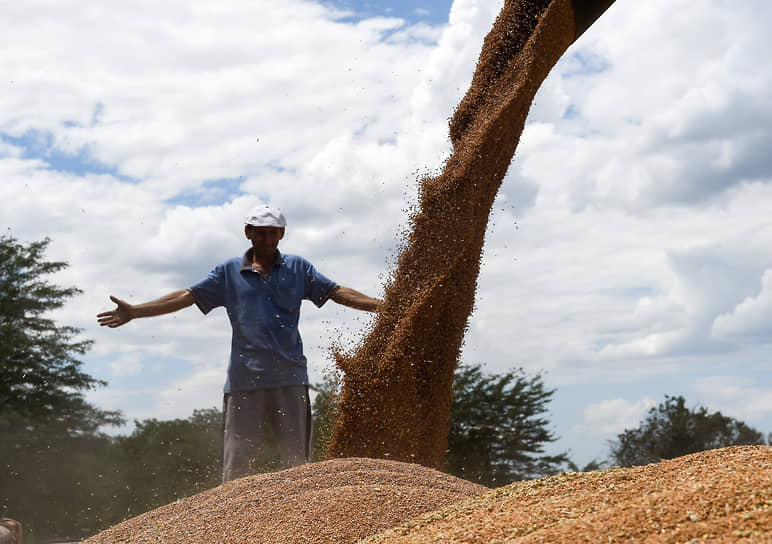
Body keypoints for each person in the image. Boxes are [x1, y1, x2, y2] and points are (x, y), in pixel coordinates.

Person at [97, 204, 381, 481]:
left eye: (273, 233)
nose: (267, 239)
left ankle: (297, 522)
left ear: (282, 234)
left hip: (290, 379)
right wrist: (136, 311)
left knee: (297, 468)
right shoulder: (229, 272)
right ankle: (228, 526)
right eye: (260, 233)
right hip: (245, 382)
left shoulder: (298, 268)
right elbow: (186, 296)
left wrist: (383, 306)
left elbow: (335, 291)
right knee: (237, 468)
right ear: (248, 232)